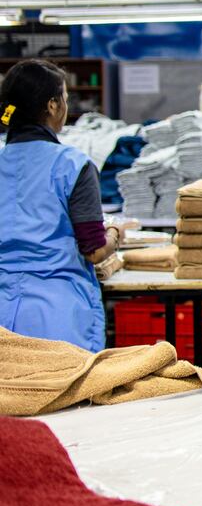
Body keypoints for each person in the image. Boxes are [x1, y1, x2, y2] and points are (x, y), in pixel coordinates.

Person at [0, 59, 126, 351]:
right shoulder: (72, 165)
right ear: (53, 106)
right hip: (56, 315)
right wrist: (116, 234)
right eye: (65, 100)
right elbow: (94, 250)